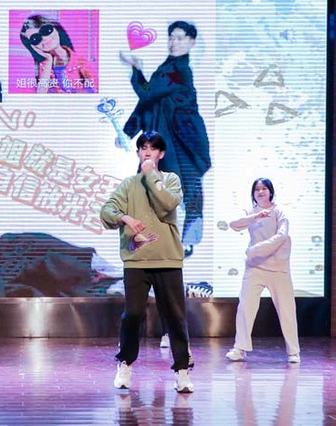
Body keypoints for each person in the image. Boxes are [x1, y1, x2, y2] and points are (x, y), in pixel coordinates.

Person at [100, 130, 193, 393]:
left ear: (161, 154)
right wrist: (125, 218)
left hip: (167, 260)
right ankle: (125, 364)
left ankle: (182, 371)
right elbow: (106, 211)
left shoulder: (171, 179)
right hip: (137, 260)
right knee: (133, 315)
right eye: (143, 147)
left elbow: (167, 204)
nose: (147, 152)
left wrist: (151, 174)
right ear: (138, 152)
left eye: (153, 148)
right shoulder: (129, 184)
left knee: (175, 317)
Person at [119, 21, 211, 255]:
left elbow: (147, 94)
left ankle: (185, 241)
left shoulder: (179, 71)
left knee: (182, 187)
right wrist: (128, 131)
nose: (173, 42)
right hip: (166, 136)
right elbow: (149, 103)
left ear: (191, 42)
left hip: (181, 140)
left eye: (180, 38)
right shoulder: (169, 66)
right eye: (171, 37)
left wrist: (136, 69)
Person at [225, 178, 300, 363]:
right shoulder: (251, 212)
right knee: (245, 307)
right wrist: (255, 217)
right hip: (255, 267)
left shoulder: (279, 211)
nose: (260, 192)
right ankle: (239, 348)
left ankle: (293, 352)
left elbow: (282, 236)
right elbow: (234, 224)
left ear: (270, 191)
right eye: (257, 189)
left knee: (286, 309)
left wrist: (255, 250)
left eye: (264, 188)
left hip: (278, 268)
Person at [20, 14, 95, 94]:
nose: (44, 39)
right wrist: (49, 60)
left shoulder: (81, 62)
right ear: (33, 46)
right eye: (35, 39)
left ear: (56, 30)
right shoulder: (44, 66)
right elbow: (41, 95)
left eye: (46, 30)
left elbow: (97, 90)